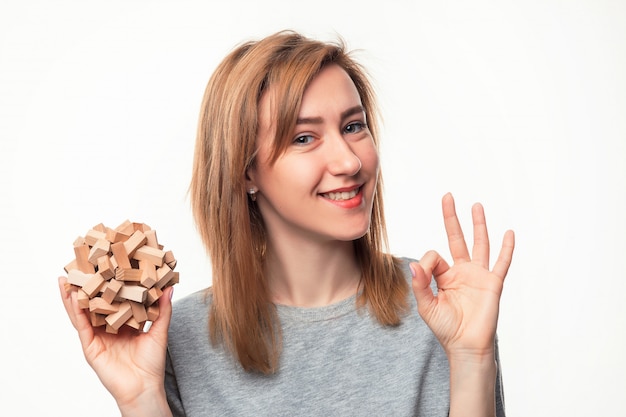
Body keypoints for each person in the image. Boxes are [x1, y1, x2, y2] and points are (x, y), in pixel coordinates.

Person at [59, 30, 515, 417]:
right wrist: (141, 400)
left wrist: (472, 357)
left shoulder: (440, 309)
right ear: (246, 170)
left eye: (354, 126)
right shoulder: (179, 339)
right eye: (304, 137)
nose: (349, 160)